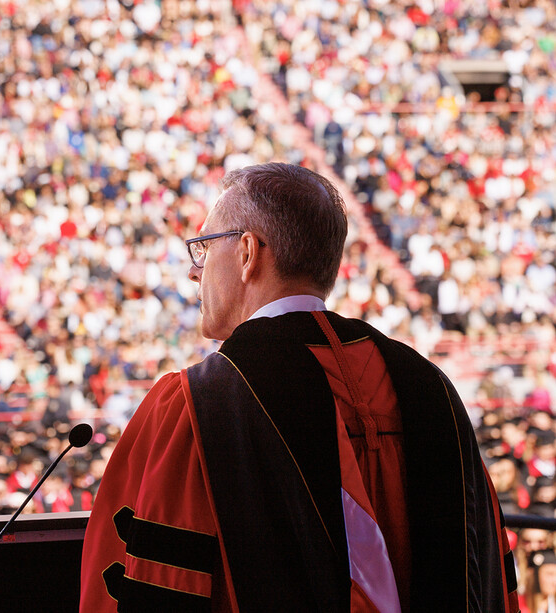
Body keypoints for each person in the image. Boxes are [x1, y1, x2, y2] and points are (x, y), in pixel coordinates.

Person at [79, 163, 517, 612]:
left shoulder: (202, 404)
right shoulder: (431, 390)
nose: (195, 272)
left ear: (247, 252)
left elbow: (152, 590)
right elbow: (490, 581)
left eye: (204, 248)